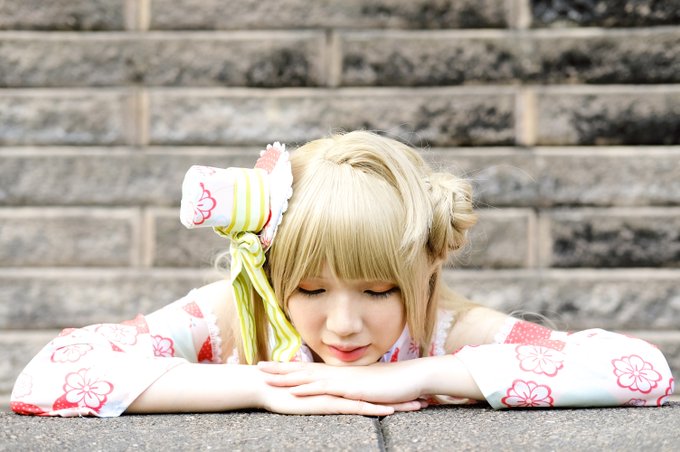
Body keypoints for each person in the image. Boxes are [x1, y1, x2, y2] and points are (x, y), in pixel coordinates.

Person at [10, 131, 674, 417]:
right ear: (269, 272)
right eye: (311, 289)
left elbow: (637, 370)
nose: (345, 323)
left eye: (379, 290)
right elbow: (48, 377)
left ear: (426, 268)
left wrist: (417, 374)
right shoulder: (227, 317)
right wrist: (258, 386)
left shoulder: (448, 330)